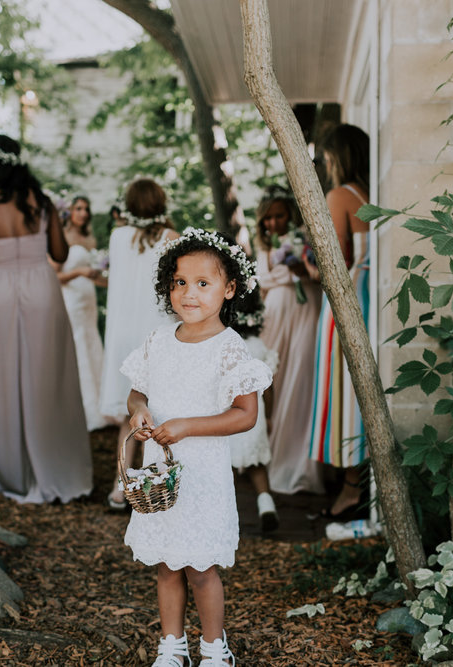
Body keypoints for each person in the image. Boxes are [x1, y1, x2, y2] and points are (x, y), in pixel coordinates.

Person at [120, 227, 271, 666]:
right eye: (180, 282)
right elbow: (137, 393)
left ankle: (212, 648)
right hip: (159, 474)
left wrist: (187, 426)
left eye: (203, 284)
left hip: (201, 474)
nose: (189, 293)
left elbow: (245, 415)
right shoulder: (158, 341)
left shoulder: (229, 350)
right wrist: (139, 411)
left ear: (229, 289)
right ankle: (171, 647)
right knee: (167, 564)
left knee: (201, 568)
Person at [0, 135, 92, 503]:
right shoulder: (41, 203)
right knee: (46, 376)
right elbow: (60, 254)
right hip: (41, 288)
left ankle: (7, 469)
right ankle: (53, 464)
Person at [99, 178, 179, 510]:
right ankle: (151, 482)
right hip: (155, 331)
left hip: (122, 333)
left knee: (127, 413)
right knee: (156, 410)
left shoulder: (117, 237)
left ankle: (120, 489)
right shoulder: (171, 238)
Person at [308, 124, 372, 520]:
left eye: (327, 159)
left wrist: (306, 264)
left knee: (344, 394)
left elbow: (333, 265)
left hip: (346, 306)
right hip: (370, 302)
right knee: (360, 391)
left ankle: (351, 487)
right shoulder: (371, 195)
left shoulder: (340, 196)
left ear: (339, 158)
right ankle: (360, 482)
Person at [254, 186, 325, 496]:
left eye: (279, 215)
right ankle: (262, 456)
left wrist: (298, 271)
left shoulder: (305, 240)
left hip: (304, 311)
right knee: (271, 382)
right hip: (273, 318)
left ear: (290, 215)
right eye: (267, 218)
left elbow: (316, 275)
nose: (273, 223)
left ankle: (298, 463)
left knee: (300, 379)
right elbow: (259, 286)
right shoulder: (262, 249)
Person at [52, 195, 109, 431]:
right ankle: (80, 410)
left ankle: (100, 406)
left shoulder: (89, 238)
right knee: (77, 349)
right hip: (71, 300)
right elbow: (54, 276)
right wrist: (79, 273)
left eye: (86, 208)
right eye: (78, 208)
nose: (83, 212)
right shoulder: (61, 237)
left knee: (92, 345)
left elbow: (94, 276)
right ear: (69, 212)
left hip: (89, 301)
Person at [228, 285, 281, 532]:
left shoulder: (224, 344)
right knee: (257, 467)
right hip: (254, 416)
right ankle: (266, 504)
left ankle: (226, 516)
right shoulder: (258, 347)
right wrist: (268, 416)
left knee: (225, 469)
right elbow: (267, 389)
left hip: (227, 416)